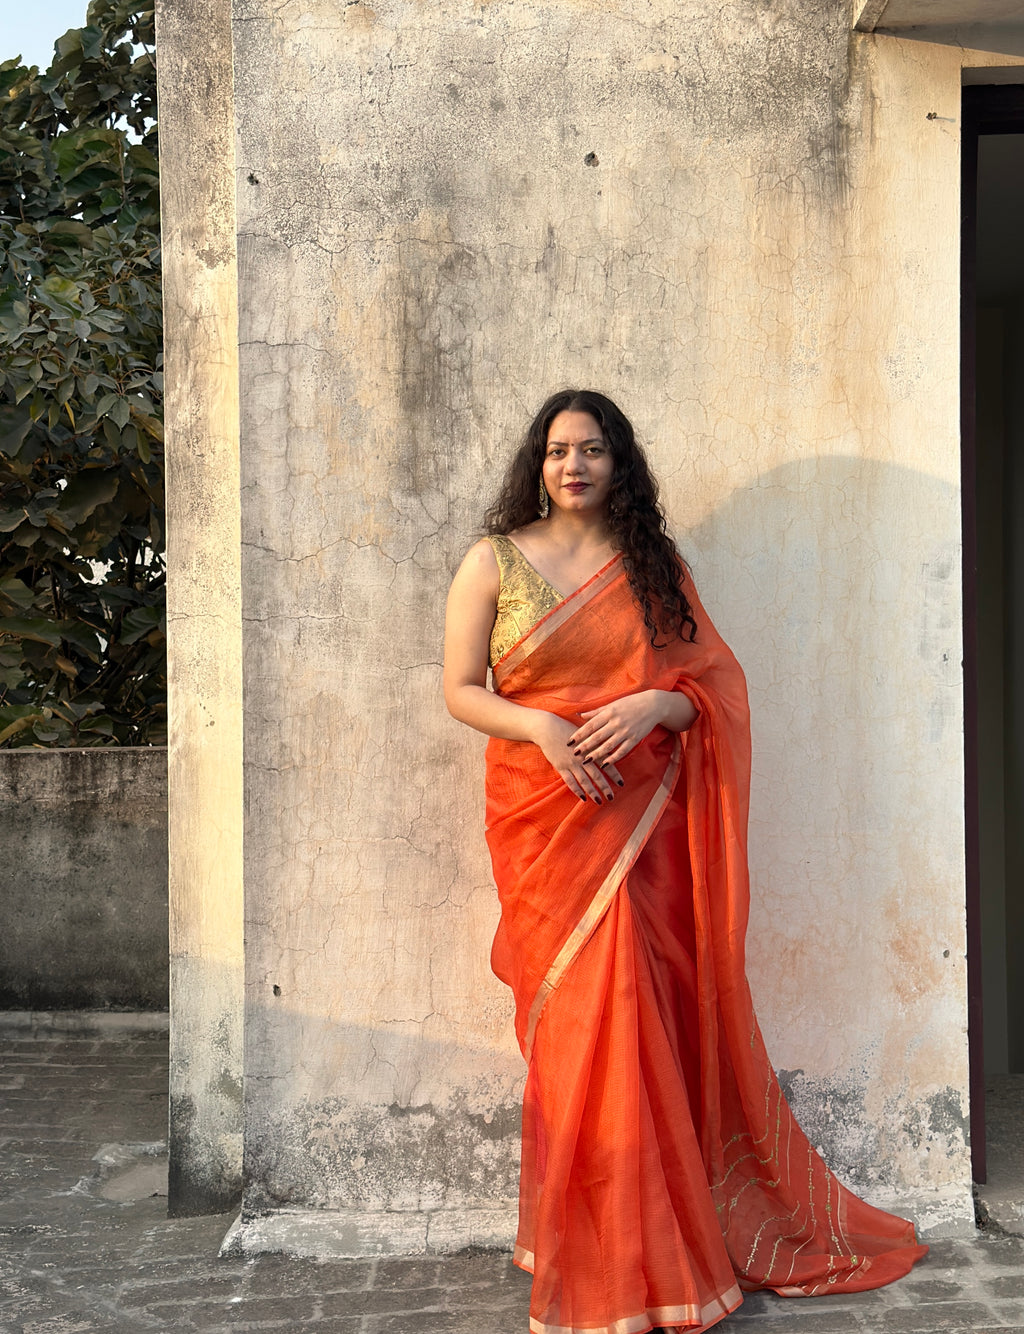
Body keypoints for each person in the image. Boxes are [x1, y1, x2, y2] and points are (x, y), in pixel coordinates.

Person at [443, 389, 927, 1334]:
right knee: (579, 1036)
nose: (572, 465)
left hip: (647, 824)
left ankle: (653, 1262)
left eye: (591, 449)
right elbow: (461, 691)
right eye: (555, 451)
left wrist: (662, 708)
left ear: (619, 463)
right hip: (547, 824)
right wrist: (543, 726)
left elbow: (716, 685)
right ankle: (588, 1245)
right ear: (536, 466)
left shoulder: (652, 567)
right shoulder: (491, 561)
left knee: (643, 1030)